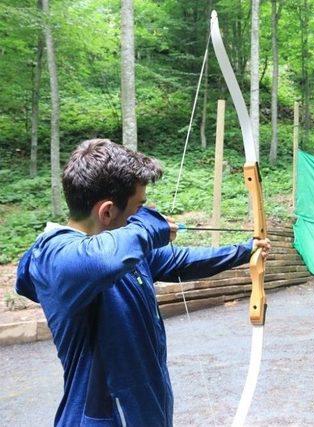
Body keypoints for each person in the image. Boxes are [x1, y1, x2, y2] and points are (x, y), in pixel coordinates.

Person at [15, 139, 270, 426]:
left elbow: (181, 260)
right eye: (138, 206)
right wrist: (149, 227)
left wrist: (245, 250)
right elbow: (99, 260)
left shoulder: (122, 249)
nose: (141, 215)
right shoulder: (55, 257)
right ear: (107, 212)